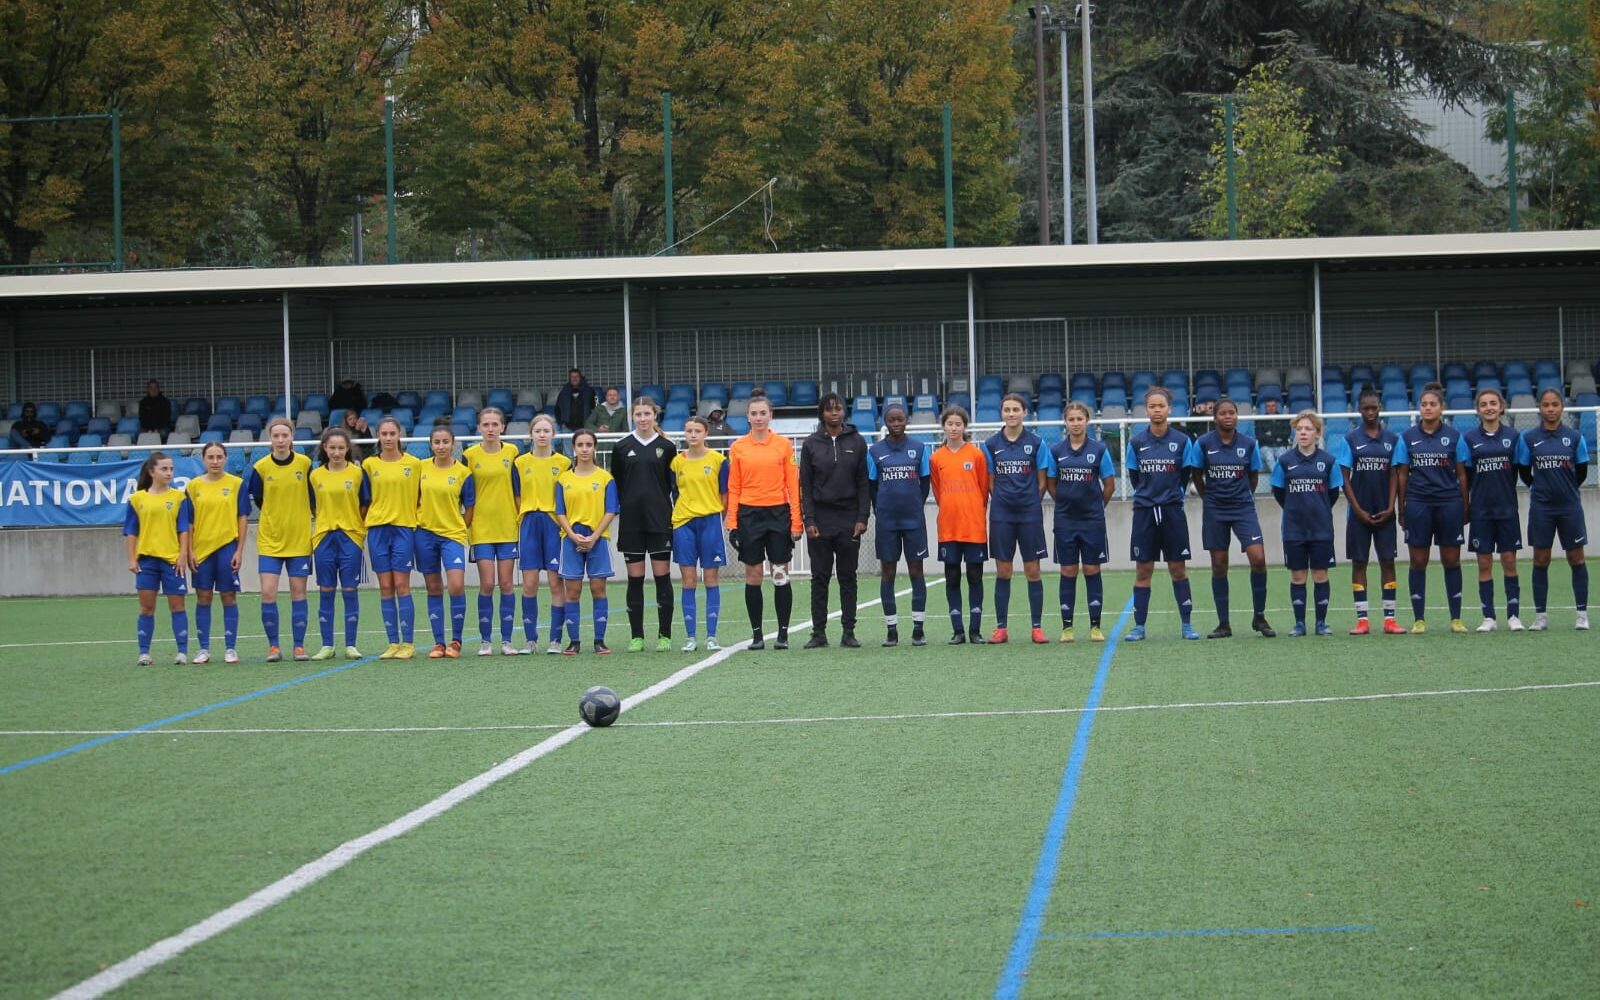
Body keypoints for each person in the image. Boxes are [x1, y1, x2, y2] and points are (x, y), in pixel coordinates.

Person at [1192, 397, 1274, 639]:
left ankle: (1259, 617)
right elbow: (1196, 475)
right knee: (1219, 565)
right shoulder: (1203, 443)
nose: (1228, 417)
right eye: (1223, 413)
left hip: (1243, 509)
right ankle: (1224, 624)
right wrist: (1209, 498)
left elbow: (1253, 477)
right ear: (1215, 417)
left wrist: (1242, 496)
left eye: (1232, 413)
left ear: (1237, 416)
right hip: (1215, 509)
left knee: (1258, 558)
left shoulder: (1249, 444)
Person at [726, 389, 801, 650]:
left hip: (778, 514)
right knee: (754, 575)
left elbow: (793, 485)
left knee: (780, 574)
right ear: (747, 417)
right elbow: (733, 487)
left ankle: (783, 635)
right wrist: (732, 523)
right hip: (749, 515)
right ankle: (757, 636)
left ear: (770, 416)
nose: (758, 418)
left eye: (763, 413)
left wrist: (796, 522)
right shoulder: (738, 447)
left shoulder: (783, 445)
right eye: (754, 413)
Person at [1125, 386, 1201, 641]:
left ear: (1169, 409)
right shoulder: (1136, 443)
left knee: (1177, 568)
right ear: (1146, 410)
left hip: (1172, 512)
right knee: (1143, 569)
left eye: (1161, 406)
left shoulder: (1182, 441)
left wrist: (1171, 496)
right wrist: (1149, 496)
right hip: (1145, 512)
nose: (1157, 410)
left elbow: (1185, 474)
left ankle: (1187, 625)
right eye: (1152, 406)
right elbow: (1135, 478)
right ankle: (1139, 627)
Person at [1393, 381, 1469, 633]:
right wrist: (1402, 508)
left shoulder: (1455, 437)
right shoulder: (1407, 438)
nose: (1427, 408)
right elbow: (1402, 475)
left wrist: (1465, 505)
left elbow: (1462, 474)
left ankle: (1456, 618)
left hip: (1448, 503)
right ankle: (1419, 619)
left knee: (1451, 560)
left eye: (1432, 404)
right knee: (1418, 561)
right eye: (1424, 404)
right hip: (1418, 504)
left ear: (1441, 408)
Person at [799, 392, 870, 648]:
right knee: (819, 578)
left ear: (844, 412)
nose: (834, 413)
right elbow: (805, 486)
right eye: (829, 409)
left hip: (849, 519)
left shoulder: (857, 441)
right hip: (820, 519)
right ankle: (818, 633)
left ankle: (848, 632)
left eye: (838, 408)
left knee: (848, 577)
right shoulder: (810, 444)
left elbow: (863, 483)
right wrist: (809, 520)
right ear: (822, 413)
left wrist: (862, 517)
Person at [983, 393, 1054, 643]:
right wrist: (1005, 501)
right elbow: (990, 482)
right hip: (1002, 514)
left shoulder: (1036, 443)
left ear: (1025, 413)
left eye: (1016, 409)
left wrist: (1028, 501)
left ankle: (1037, 628)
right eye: (1007, 410)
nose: (1011, 414)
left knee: (1032, 570)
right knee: (1003, 570)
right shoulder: (991, 444)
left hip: (1029, 514)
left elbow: (1042, 482)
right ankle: (1001, 628)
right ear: (1001, 413)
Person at [1516, 387, 1589, 631]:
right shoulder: (1528, 438)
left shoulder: (1575, 437)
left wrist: (1565, 489)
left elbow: (1581, 472)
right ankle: (1540, 617)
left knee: (1576, 558)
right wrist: (1539, 488)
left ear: (1562, 408)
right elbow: (1524, 471)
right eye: (1546, 405)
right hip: (1542, 508)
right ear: (1539, 407)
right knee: (1541, 559)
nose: (1550, 409)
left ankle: (1581, 614)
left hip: (1569, 507)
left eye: (1554, 405)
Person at [1333, 387, 1404, 634]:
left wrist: (1391, 507)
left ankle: (1390, 619)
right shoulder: (1350, 440)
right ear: (1359, 410)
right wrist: (1357, 509)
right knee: (1359, 563)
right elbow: (1344, 477)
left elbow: (1395, 474)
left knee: (1388, 561)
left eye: (1374, 408)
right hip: (1359, 514)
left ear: (1380, 408)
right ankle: (1362, 620)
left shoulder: (1393, 440)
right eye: (1366, 408)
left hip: (1385, 513)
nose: (1370, 412)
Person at [612, 397, 678, 651]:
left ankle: (665, 636)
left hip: (659, 520)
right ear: (633, 417)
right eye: (638, 414)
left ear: (654, 415)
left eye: (646, 414)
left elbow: (671, 484)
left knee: (662, 578)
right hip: (631, 522)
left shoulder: (667, 447)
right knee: (635, 579)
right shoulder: (621, 446)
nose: (642, 418)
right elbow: (618, 482)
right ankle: (637, 636)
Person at [1270, 411, 1343, 636]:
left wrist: (1318, 509)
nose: (1303, 433)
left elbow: (1332, 494)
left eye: (1308, 429)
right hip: (1294, 529)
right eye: (1299, 429)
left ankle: (1321, 623)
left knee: (1320, 575)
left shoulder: (1328, 462)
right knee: (1298, 576)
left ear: (1317, 433)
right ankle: (1299, 624)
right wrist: (1295, 509)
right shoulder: (1285, 461)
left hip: (1321, 529)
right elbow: (1278, 492)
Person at [1048, 401, 1116, 642]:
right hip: (1065, 520)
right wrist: (1065, 503)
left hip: (1092, 521)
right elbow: (1051, 484)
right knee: (1068, 569)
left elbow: (1109, 485)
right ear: (1065, 423)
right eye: (1071, 419)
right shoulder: (1056, 450)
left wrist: (1096, 506)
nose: (1075, 423)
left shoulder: (1099, 449)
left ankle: (1095, 626)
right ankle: (1067, 628)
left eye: (1079, 419)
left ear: (1087, 421)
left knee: (1091, 568)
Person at [249, 417, 314, 661]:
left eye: (284, 435)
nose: (280, 440)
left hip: (299, 540)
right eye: (276, 436)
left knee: (298, 593)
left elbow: (313, 496)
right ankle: (274, 647)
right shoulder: (261, 467)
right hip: (270, 540)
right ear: (270, 438)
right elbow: (259, 499)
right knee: (268, 593)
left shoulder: (305, 464)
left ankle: (299, 646)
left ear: (291, 437)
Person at [867, 402, 931, 647]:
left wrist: (914, 505)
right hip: (887, 522)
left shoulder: (919, 448)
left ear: (907, 421)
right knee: (888, 573)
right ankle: (891, 630)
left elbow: (925, 483)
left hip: (913, 521)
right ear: (885, 422)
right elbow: (872, 486)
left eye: (900, 419)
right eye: (891, 420)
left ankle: (918, 629)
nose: (896, 423)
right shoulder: (875, 451)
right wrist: (882, 509)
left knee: (916, 571)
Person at [553, 429, 620, 654]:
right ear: (574, 448)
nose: (584, 449)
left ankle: (599, 641)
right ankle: (574, 642)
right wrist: (572, 535)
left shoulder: (605, 478)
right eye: (580, 445)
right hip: (570, 539)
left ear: (595, 448)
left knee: (598, 589)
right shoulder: (564, 479)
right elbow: (560, 511)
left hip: (597, 538)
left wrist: (594, 536)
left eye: (588, 445)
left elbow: (611, 510)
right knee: (572, 591)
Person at [1463, 387, 1524, 631]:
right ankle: (1488, 617)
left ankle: (1513, 616)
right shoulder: (1469, 439)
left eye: (1493, 403)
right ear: (1478, 410)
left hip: (1507, 510)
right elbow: (1466, 476)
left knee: (1509, 561)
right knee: (1484, 563)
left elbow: (1519, 470)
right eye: (1484, 404)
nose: (1489, 407)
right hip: (1481, 512)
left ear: (1501, 407)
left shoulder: (1514, 437)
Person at [464, 407, 522, 655]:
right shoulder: (469, 455)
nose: (490, 429)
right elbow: (464, 493)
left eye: (494, 424)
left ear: (502, 427)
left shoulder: (513, 452)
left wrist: (521, 517)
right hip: (481, 528)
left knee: (507, 584)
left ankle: (506, 642)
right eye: (485, 425)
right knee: (487, 584)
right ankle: (485, 642)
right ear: (479, 427)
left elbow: (518, 489)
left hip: (507, 526)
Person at [123, 451, 191, 665]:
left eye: (171, 469)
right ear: (152, 472)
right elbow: (131, 530)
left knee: (178, 607)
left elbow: (183, 529)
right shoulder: (137, 499)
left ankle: (182, 652)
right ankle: (144, 653)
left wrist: (182, 555)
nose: (169, 473)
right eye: (164, 469)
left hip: (172, 561)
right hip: (147, 561)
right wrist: (132, 559)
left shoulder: (179, 498)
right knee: (146, 608)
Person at [362, 416, 421, 660]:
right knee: (385, 587)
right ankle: (392, 643)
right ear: (378, 436)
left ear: (399, 435)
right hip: (377, 529)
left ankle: (408, 643)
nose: (388, 438)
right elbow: (364, 499)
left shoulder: (414, 464)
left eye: (392, 433)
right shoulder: (368, 464)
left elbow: (421, 496)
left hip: (403, 529)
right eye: (384, 434)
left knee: (401, 585)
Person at [930, 405, 990, 644]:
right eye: (950, 424)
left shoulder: (976, 455)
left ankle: (975, 630)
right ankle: (958, 630)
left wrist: (974, 510)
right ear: (943, 427)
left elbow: (983, 490)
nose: (954, 428)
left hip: (973, 526)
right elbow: (938, 491)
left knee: (975, 576)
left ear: (965, 427)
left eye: (958, 424)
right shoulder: (936, 458)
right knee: (952, 577)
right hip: (948, 527)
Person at [185, 441, 249, 664]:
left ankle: (230, 649)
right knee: (203, 597)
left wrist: (239, 550)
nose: (215, 461)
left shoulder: (236, 484)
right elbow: (189, 522)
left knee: (228, 596)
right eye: (210, 457)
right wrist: (189, 550)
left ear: (226, 458)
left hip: (227, 548)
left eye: (219, 457)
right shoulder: (193, 486)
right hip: (202, 550)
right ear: (203, 459)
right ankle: (203, 649)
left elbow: (242, 518)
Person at [308, 427, 369, 660]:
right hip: (324, 537)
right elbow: (313, 505)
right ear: (324, 448)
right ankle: (327, 645)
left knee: (350, 590)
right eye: (332, 448)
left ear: (347, 449)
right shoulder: (315, 476)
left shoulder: (357, 473)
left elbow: (364, 503)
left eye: (341, 448)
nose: (336, 452)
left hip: (350, 537)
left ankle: (351, 644)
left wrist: (352, 522)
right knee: (326, 590)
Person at [514, 414, 572, 654]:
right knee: (529, 584)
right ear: (531, 434)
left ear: (553, 434)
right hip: (529, 523)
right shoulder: (520, 463)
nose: (541, 434)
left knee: (556, 582)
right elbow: (517, 495)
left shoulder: (564, 463)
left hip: (553, 525)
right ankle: (530, 640)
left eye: (546, 430)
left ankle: (555, 640)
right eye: (537, 431)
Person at [416, 424, 476, 658]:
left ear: (453, 444)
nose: (441, 446)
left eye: (445, 442)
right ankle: (439, 643)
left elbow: (469, 507)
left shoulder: (463, 473)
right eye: (437, 442)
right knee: (433, 587)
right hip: (425, 534)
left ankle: (456, 641)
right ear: (431, 445)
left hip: (452, 536)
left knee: (456, 585)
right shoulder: (420, 468)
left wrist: (459, 526)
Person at [671, 416, 730, 651]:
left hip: (710, 523)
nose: (693, 435)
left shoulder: (718, 460)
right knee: (688, 580)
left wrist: (718, 519)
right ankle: (691, 637)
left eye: (697, 430)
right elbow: (674, 492)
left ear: (706, 433)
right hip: (683, 523)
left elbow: (724, 494)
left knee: (711, 579)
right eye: (689, 431)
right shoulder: (677, 462)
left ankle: (711, 636)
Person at [554, 368, 597, 432]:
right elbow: (557, 410)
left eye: (576, 376)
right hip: (567, 428)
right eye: (572, 377)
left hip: (585, 427)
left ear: (580, 378)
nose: (574, 378)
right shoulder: (563, 393)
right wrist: (561, 423)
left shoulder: (590, 392)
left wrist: (591, 423)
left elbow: (596, 408)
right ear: (569, 378)